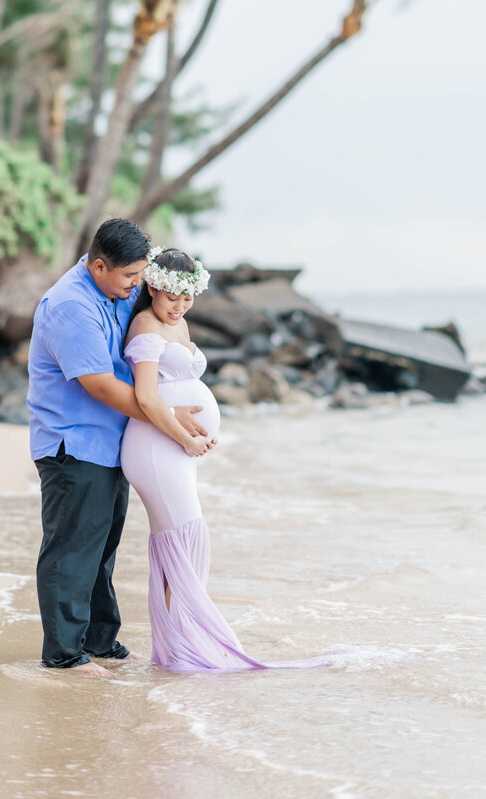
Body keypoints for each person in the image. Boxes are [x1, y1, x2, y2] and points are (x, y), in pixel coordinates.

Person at [121, 246, 332, 673]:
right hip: (154, 446)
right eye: (171, 297)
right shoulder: (145, 326)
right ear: (152, 288)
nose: (179, 306)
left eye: (187, 298)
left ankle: (174, 645)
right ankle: (187, 645)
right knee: (189, 536)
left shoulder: (175, 324)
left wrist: (193, 438)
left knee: (174, 543)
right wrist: (187, 437)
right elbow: (146, 395)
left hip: (171, 447)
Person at [27, 219, 213, 678]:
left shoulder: (118, 288)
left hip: (114, 442)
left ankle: (100, 640)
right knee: (73, 547)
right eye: (131, 278)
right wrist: (170, 423)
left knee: (103, 545)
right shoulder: (69, 306)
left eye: (141, 276)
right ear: (98, 265)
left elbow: (157, 314)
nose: (137, 287)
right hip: (74, 442)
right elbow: (103, 387)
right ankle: (64, 655)